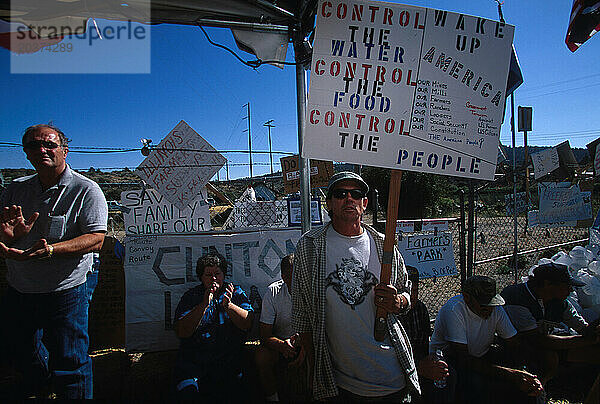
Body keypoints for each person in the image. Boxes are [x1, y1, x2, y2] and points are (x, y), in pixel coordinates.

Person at [0, 124, 108, 398]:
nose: (42, 150)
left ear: (64, 150)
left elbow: (96, 239)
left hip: (66, 288)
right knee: (21, 348)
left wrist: (52, 250)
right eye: (33, 146)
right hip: (20, 286)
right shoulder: (15, 189)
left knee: (71, 358)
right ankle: (44, 385)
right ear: (25, 154)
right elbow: (5, 233)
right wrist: (8, 236)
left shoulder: (86, 189)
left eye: (49, 144)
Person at [292, 171, 419, 402]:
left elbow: (406, 293)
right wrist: (313, 370)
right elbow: (302, 314)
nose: (349, 199)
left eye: (356, 194)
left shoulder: (384, 243)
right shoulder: (309, 247)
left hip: (391, 378)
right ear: (329, 203)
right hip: (339, 383)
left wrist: (398, 301)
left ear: (365, 203)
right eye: (340, 194)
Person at [430, 275, 544, 403]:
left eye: (492, 304)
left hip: (480, 354)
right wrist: (512, 375)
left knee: (524, 368)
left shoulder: (495, 309)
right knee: (474, 384)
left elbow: (514, 343)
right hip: (449, 360)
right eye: (484, 305)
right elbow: (463, 359)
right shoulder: (454, 309)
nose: (489, 309)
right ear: (467, 298)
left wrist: (523, 371)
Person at [501, 262, 600, 384]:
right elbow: (537, 340)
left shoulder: (559, 302)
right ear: (548, 284)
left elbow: (583, 328)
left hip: (546, 344)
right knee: (549, 357)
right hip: (518, 348)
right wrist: (586, 340)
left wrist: (594, 331)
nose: (570, 290)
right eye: (566, 286)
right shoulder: (516, 297)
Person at [173, 252, 254, 401]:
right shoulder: (191, 296)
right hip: (195, 363)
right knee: (188, 392)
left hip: (227, 361)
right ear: (201, 277)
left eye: (217, 274)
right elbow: (182, 332)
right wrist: (203, 305)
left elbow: (247, 324)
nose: (214, 279)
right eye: (208, 275)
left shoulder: (234, 292)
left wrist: (229, 306)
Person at [255, 253, 305, 402]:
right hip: (281, 344)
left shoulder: (312, 291)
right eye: (292, 276)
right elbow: (264, 335)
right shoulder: (273, 292)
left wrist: (303, 346)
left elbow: (320, 328)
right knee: (261, 356)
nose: (298, 280)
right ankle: (273, 398)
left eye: (300, 275)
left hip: (307, 341)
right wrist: (282, 346)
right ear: (284, 277)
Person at [399, 267, 449, 403]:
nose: (412, 296)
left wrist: (431, 362)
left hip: (419, 362)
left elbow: (424, 344)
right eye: (408, 292)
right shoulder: (391, 313)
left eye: (415, 291)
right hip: (399, 369)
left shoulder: (420, 309)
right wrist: (419, 367)